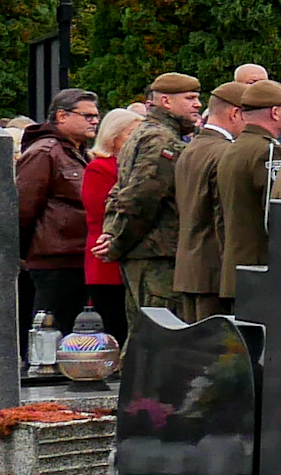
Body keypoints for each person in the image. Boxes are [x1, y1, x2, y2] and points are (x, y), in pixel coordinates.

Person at [99, 72, 202, 314]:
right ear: (166, 101)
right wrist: (118, 241)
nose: (197, 105)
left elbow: (120, 191)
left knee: (145, 337)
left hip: (147, 253)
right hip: (157, 255)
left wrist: (112, 231)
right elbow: (142, 196)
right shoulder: (160, 139)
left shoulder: (145, 133)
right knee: (161, 337)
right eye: (190, 98)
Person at [13, 90, 98, 336]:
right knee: (51, 333)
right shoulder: (45, 152)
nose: (94, 121)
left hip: (76, 256)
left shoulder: (78, 152)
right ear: (62, 116)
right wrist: (23, 253)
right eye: (87, 116)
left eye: (96, 116)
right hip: (54, 259)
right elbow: (23, 208)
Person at [169, 80, 244, 319]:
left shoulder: (192, 148)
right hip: (214, 271)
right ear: (235, 113)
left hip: (190, 267)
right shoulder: (224, 152)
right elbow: (223, 217)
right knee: (215, 350)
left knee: (194, 348)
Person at [209, 79, 281, 287]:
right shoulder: (269, 151)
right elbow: (273, 216)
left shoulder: (232, 148)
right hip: (260, 269)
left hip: (235, 265)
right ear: (275, 112)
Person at [80, 106, 137, 332]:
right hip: (107, 263)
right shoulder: (100, 169)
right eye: (132, 135)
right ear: (113, 139)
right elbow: (101, 212)